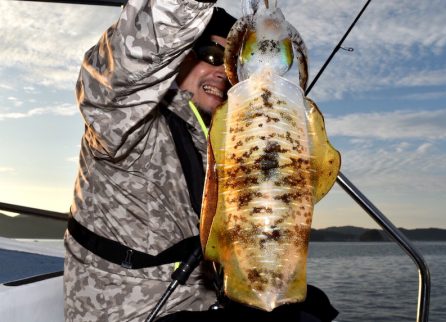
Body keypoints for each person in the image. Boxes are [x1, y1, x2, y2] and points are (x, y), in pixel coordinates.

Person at [64, 1, 338, 321]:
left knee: (312, 309)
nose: (222, 71)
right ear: (176, 58)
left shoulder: (224, 137)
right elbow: (130, 59)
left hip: (202, 299)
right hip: (132, 311)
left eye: (233, 63)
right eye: (211, 55)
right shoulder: (124, 120)